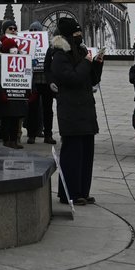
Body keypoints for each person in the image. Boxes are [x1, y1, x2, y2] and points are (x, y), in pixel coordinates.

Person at [48, 17, 103, 205]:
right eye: (76, 34)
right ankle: (69, 193)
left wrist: (97, 63)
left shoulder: (81, 51)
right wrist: (87, 63)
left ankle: (82, 191)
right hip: (71, 111)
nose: (79, 37)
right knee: (73, 154)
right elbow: (72, 78)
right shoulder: (59, 55)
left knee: (86, 153)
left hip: (86, 110)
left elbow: (91, 79)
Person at [0, 22, 26, 148]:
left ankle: (14, 140)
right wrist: (0, 92)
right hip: (5, 94)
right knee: (6, 119)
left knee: (16, 119)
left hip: (16, 94)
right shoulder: (0, 59)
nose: (14, 50)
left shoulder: (21, 59)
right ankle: (7, 140)